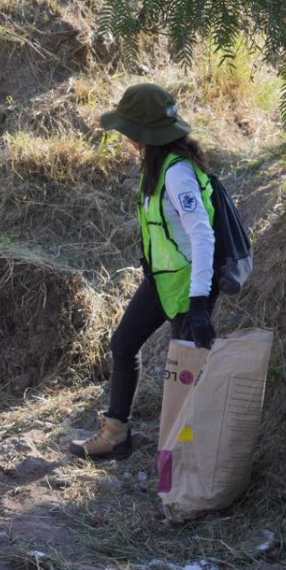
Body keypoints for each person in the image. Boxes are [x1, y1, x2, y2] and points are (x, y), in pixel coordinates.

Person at [69, 83, 218, 460]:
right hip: (163, 281)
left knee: (183, 379)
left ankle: (185, 466)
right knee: (123, 344)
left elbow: (203, 236)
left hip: (189, 288)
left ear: (143, 133)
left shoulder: (177, 174)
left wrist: (199, 303)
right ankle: (116, 435)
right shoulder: (157, 166)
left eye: (125, 128)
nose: (122, 136)